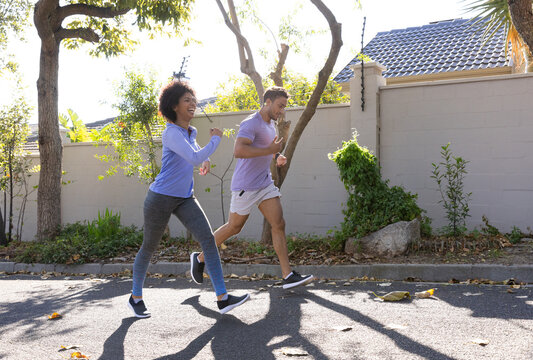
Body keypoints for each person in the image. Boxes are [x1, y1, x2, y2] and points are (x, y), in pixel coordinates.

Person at [128, 81, 249, 318]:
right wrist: (214, 141)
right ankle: (135, 297)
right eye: (187, 100)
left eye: (194, 100)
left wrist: (205, 160)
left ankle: (223, 298)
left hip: (185, 198)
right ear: (174, 106)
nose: (193, 103)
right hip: (160, 198)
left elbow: (195, 156)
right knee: (149, 247)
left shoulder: (190, 132)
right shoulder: (171, 132)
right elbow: (193, 157)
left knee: (209, 241)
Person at [190, 86, 314, 290]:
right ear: (268, 102)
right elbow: (239, 150)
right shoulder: (251, 123)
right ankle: (200, 258)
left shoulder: (269, 125)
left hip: (264, 183)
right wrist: (271, 149)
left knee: (278, 223)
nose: (282, 111)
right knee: (234, 227)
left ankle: (287, 275)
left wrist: (275, 156)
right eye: (280, 106)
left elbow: (263, 149)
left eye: (284, 107)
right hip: (245, 186)